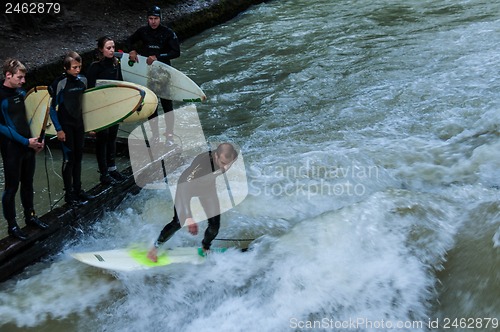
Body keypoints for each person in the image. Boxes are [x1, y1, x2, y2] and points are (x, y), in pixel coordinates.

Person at [147, 143, 238, 262]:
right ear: (215, 156)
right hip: (186, 187)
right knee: (179, 221)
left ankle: (205, 247)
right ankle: (154, 248)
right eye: (223, 163)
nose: (225, 168)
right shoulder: (202, 165)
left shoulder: (232, 155)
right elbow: (184, 188)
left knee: (214, 226)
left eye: (228, 164)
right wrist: (189, 217)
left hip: (207, 189)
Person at [0, 58, 48, 241]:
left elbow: (29, 120)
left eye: (23, 77)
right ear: (8, 75)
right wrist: (25, 141)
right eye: (20, 77)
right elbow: (2, 127)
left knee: (28, 183)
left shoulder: (20, 93)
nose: (23, 81)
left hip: (28, 144)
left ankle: (31, 216)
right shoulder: (1, 96)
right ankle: (12, 225)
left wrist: (38, 141)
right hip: (12, 147)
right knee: (12, 188)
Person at [127, 5, 180, 145]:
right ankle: (155, 135)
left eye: (156, 18)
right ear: (147, 19)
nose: (153, 22)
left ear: (160, 18)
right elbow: (129, 40)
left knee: (167, 105)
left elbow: (176, 52)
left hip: (164, 72)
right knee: (151, 105)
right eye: (150, 19)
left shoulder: (168, 33)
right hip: (148, 72)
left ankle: (169, 136)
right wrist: (132, 51)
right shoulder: (143, 31)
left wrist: (158, 56)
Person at [49, 51, 93, 206]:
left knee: (78, 158)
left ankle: (78, 190)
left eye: (79, 67)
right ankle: (69, 194)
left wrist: (91, 126)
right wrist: (59, 129)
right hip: (66, 125)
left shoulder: (83, 80)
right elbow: (52, 109)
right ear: (66, 68)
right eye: (74, 67)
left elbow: (86, 105)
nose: (77, 70)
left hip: (79, 124)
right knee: (69, 159)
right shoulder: (59, 83)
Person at [87, 36, 126, 185]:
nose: (111, 50)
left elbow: (121, 85)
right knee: (102, 140)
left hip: (113, 108)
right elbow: (89, 92)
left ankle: (112, 168)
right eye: (108, 48)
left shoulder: (117, 64)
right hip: (100, 109)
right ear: (101, 50)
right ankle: (103, 173)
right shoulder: (95, 67)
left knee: (112, 138)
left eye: (113, 47)